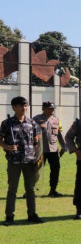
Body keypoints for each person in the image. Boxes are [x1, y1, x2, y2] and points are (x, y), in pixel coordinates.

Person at [0, 96, 45, 225]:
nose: (24, 108)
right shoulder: (7, 123)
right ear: (14, 107)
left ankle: (32, 214)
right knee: (12, 189)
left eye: (25, 106)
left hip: (29, 161)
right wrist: (8, 147)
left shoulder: (31, 123)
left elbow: (38, 137)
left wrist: (37, 151)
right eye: (21, 106)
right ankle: (9, 216)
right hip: (14, 161)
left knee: (30, 189)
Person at [33, 101, 67, 197]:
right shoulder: (36, 119)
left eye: (53, 108)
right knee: (36, 170)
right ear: (43, 109)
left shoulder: (56, 120)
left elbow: (60, 134)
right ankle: (30, 190)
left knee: (55, 170)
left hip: (53, 150)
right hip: (40, 151)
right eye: (50, 108)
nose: (52, 110)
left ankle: (53, 190)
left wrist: (64, 147)